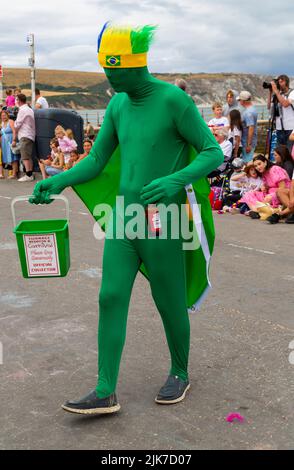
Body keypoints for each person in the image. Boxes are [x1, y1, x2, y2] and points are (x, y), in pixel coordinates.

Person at [30, 23, 223, 415]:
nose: (109, 80)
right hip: (123, 218)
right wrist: (60, 181)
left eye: (115, 73)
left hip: (162, 219)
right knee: (110, 296)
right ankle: (105, 389)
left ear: (137, 66)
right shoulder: (118, 104)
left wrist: (174, 180)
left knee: (168, 301)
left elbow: (212, 152)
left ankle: (180, 372)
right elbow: (99, 159)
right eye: (106, 71)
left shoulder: (174, 102)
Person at [267, 75, 294, 152]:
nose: (279, 83)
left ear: (286, 82)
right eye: (278, 82)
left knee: (289, 152)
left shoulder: (292, 92)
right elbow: (269, 106)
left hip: (291, 128)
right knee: (280, 153)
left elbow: (285, 104)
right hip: (279, 128)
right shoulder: (277, 94)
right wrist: (270, 93)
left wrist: (276, 92)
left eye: (281, 81)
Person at [13, 94, 35, 182]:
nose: (15, 101)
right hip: (30, 134)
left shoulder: (22, 110)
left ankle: (28, 175)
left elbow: (17, 124)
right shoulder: (29, 109)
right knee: (28, 156)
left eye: (16, 100)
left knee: (25, 156)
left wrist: (14, 124)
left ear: (19, 100)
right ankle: (29, 174)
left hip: (25, 135)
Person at [237, 91, 258, 163]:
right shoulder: (253, 108)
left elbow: (251, 128)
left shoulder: (248, 113)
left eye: (239, 100)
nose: (239, 102)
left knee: (247, 163)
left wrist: (248, 145)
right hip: (249, 141)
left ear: (243, 101)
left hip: (247, 143)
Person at [0, 110, 19, 179]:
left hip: (10, 141)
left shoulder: (10, 121)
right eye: (2, 116)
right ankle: (12, 173)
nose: (3, 117)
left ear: (7, 115)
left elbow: (14, 131)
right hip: (4, 143)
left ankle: (14, 174)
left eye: (4, 115)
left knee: (13, 157)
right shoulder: (1, 123)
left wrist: (14, 140)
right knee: (8, 157)